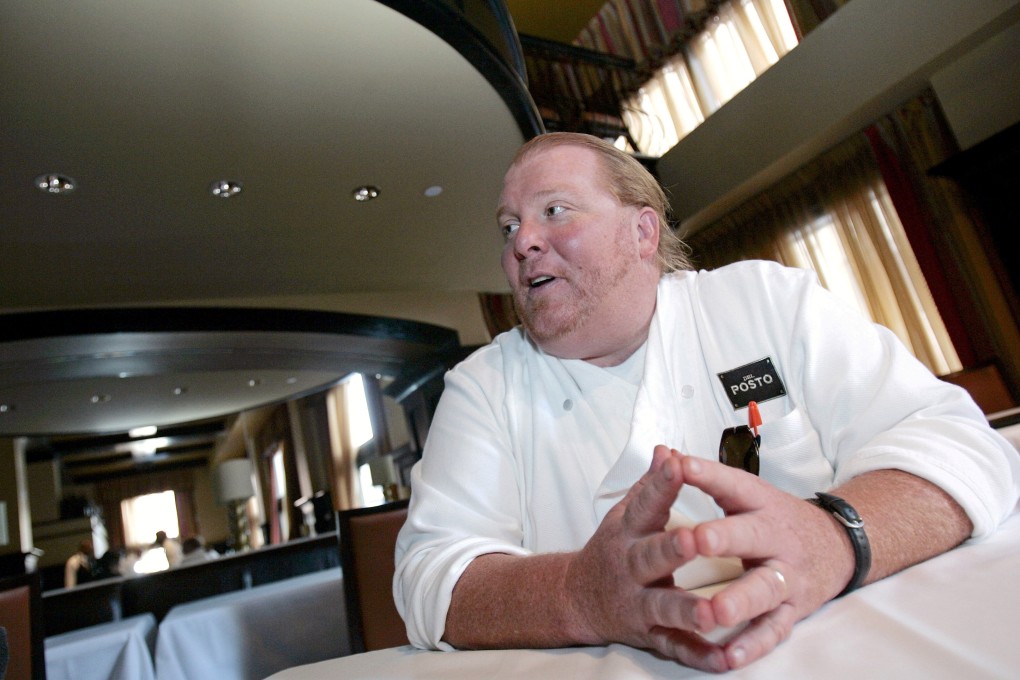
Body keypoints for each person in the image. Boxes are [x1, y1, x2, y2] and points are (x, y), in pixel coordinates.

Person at [393, 132, 1020, 672]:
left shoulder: (764, 302)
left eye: (554, 211)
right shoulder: (484, 386)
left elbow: (961, 443)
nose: (522, 242)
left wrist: (832, 539)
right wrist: (581, 594)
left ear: (642, 231)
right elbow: (429, 579)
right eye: (508, 227)